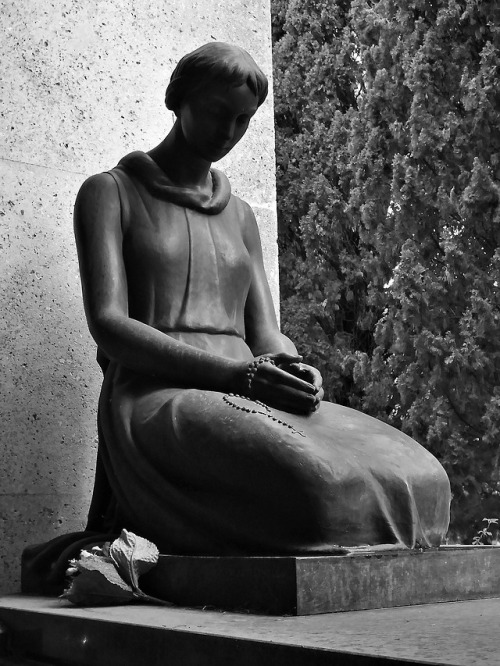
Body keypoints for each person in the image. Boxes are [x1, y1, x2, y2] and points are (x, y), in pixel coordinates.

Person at [23, 44, 451, 591]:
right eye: (218, 112)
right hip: (158, 399)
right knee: (323, 489)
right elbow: (109, 324)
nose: (230, 130)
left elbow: (265, 331)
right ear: (178, 101)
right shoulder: (110, 193)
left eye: (244, 120)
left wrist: (292, 366)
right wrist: (233, 375)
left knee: (420, 476)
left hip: (253, 389)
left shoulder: (241, 216)